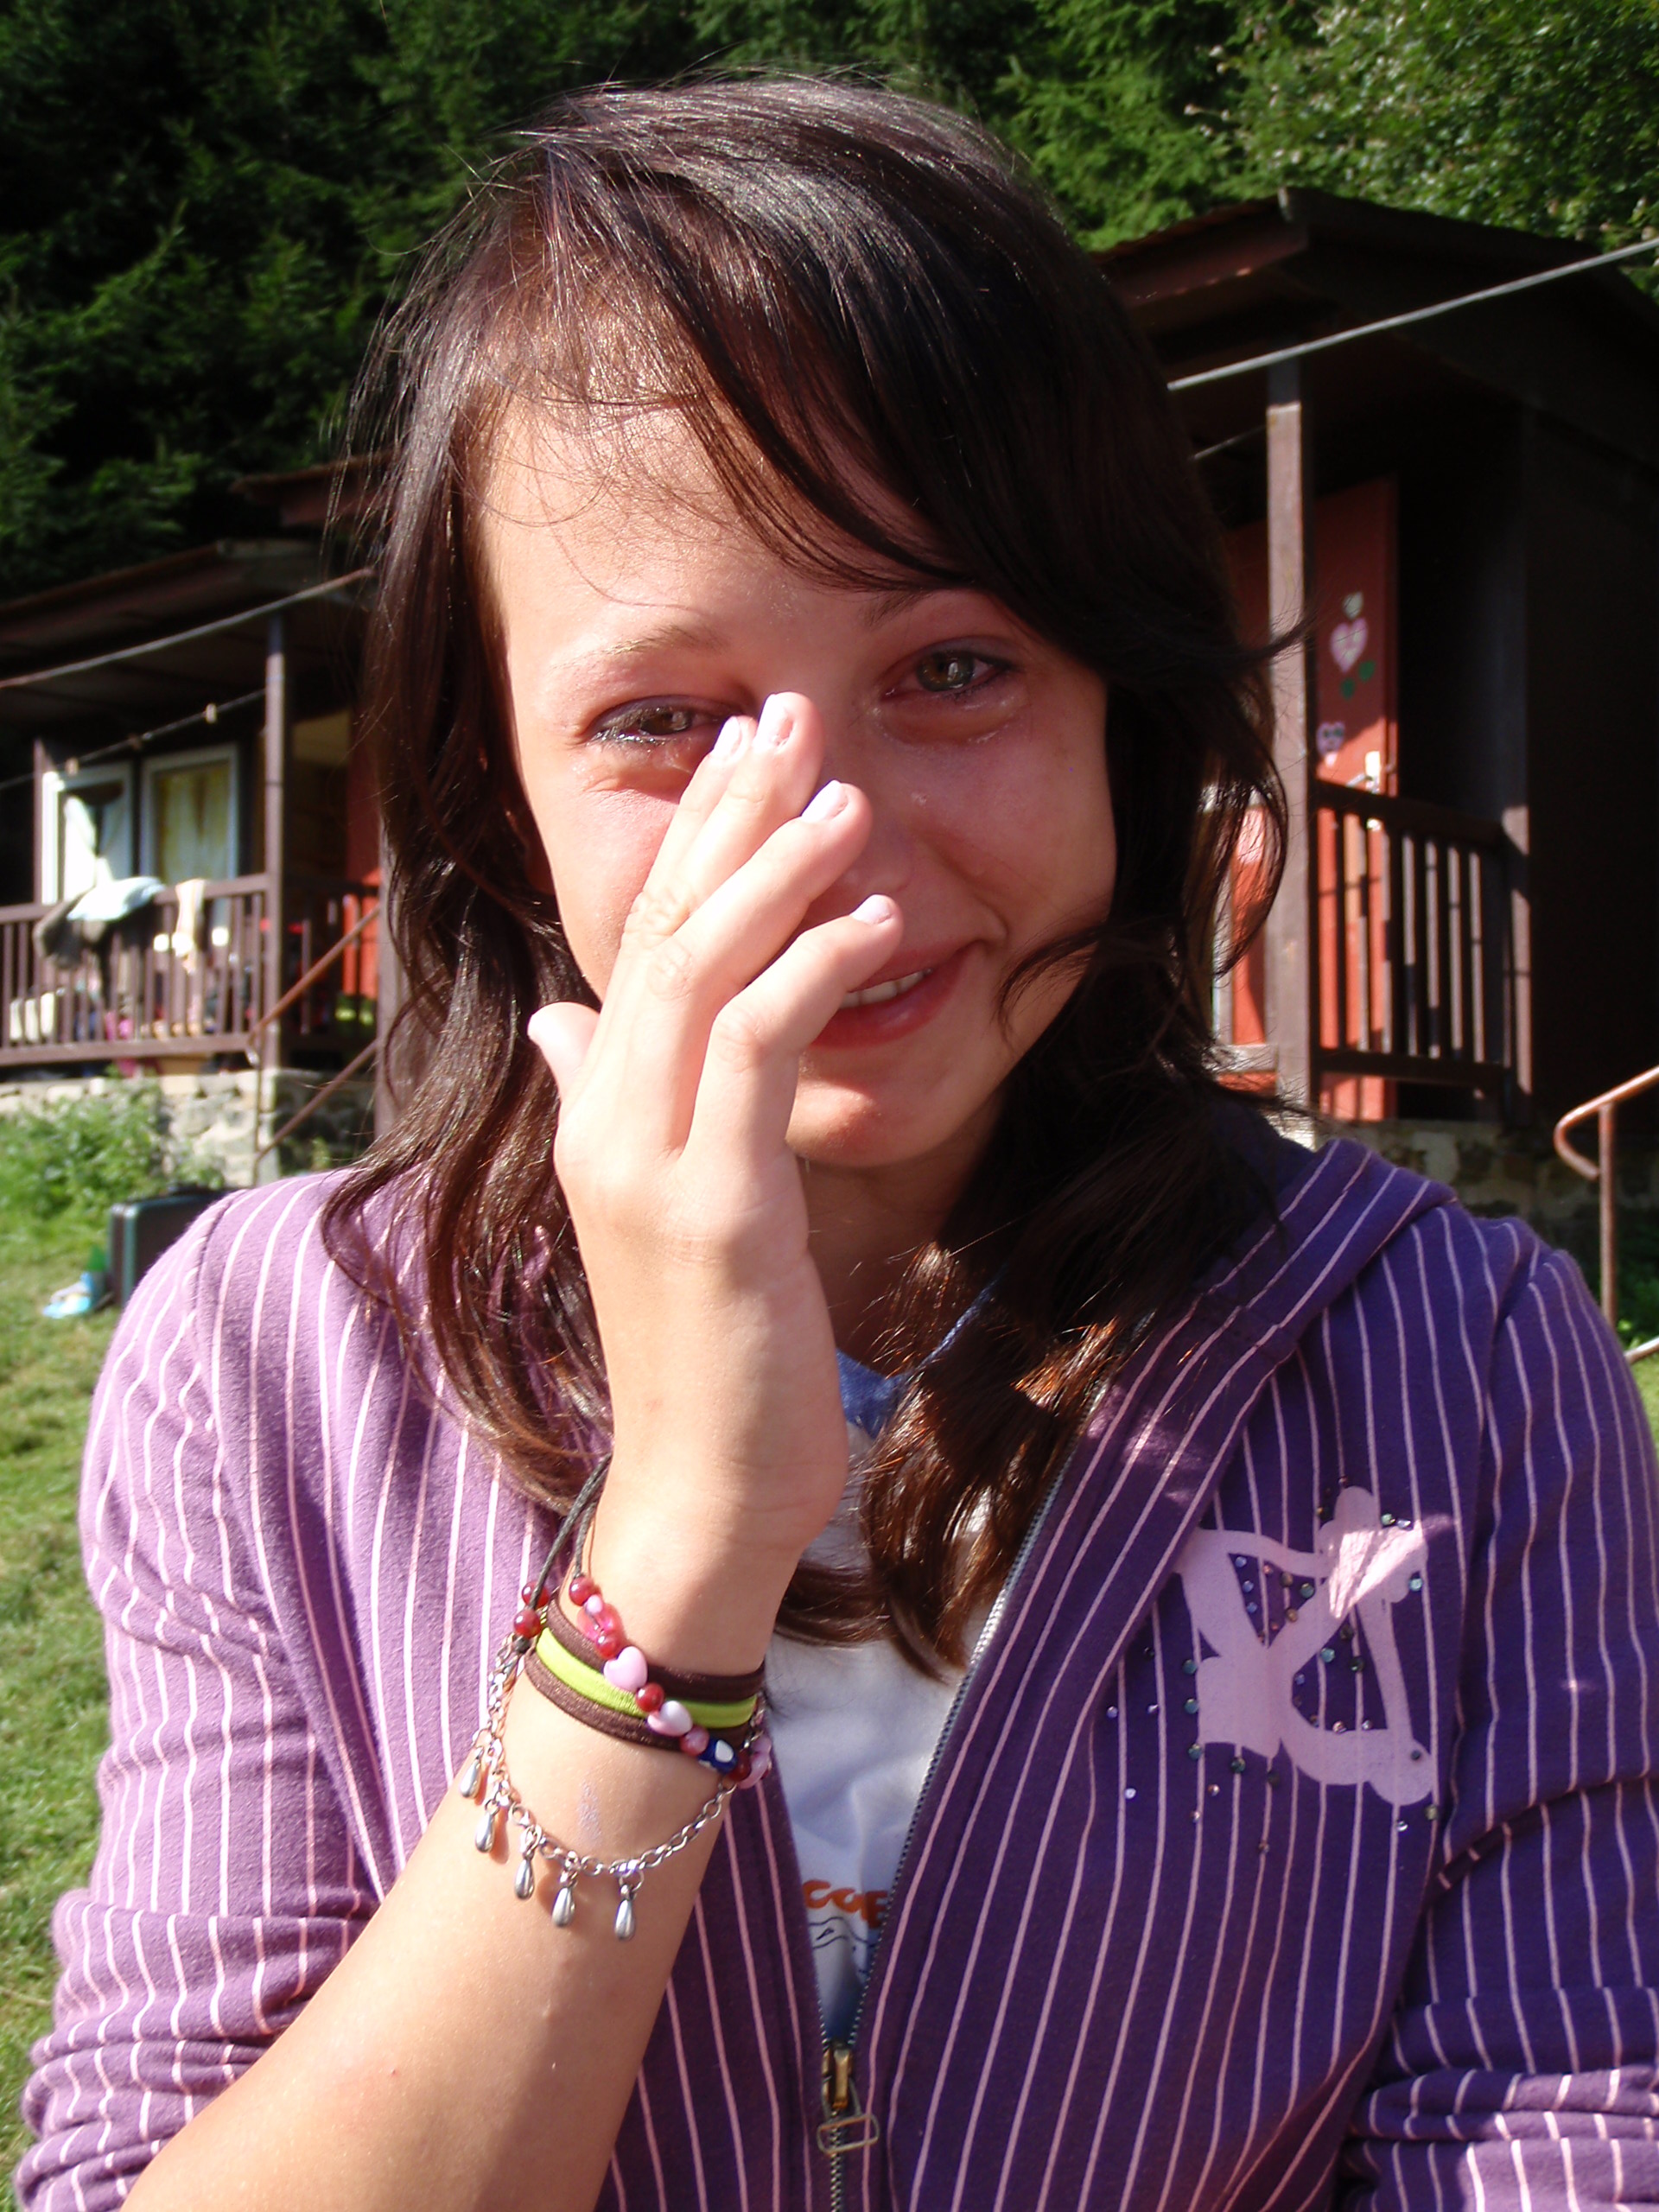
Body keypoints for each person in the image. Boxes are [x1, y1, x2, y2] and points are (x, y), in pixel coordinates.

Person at [19, 77, 1659, 2212]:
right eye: (660, 720)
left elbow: (1564, 2129)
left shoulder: (1470, 1358)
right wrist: (678, 1542)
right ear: (497, 791)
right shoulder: (265, 1365)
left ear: (1122, 714)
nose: (837, 851)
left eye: (955, 665)